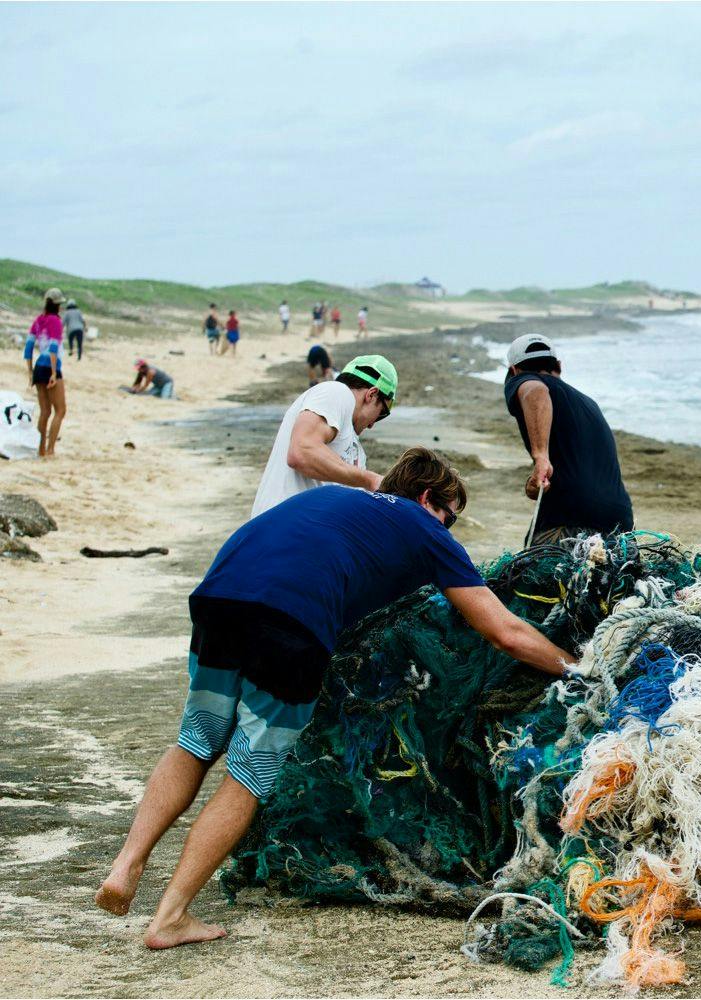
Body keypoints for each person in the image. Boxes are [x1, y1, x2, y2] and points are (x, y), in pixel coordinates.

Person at [93, 447, 585, 949]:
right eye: (450, 517)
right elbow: (505, 632)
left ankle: (126, 864)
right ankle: (170, 916)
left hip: (220, 596)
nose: (448, 528)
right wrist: (579, 667)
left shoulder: (335, 499)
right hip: (291, 619)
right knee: (249, 772)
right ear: (425, 498)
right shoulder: (425, 529)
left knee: (197, 741)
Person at [502, 333, 633, 544]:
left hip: (569, 520)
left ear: (514, 370)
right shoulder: (588, 403)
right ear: (559, 366)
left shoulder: (524, 381)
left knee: (533, 574)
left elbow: (534, 390)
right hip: (620, 522)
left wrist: (540, 456)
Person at [252, 354, 396, 516]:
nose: (371, 425)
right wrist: (370, 479)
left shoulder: (355, 451)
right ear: (371, 394)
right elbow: (301, 452)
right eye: (381, 414)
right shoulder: (337, 392)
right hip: (281, 529)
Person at [22, 288, 66, 457]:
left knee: (45, 411)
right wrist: (54, 373)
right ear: (57, 305)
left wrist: (30, 371)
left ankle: (40, 449)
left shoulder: (38, 320)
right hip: (51, 367)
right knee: (60, 410)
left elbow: (28, 348)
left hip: (39, 367)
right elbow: (54, 348)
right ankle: (50, 450)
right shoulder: (56, 321)